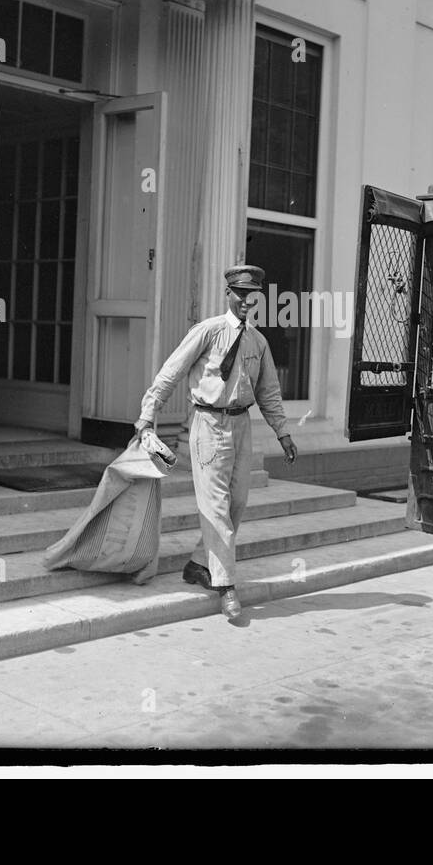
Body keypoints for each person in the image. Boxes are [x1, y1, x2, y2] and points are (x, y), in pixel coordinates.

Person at [134, 264, 299, 619]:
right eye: (240, 294)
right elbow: (171, 372)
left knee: (237, 502)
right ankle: (226, 587)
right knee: (216, 508)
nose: (246, 301)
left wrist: (282, 431)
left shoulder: (258, 341)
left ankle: (198, 564)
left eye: (252, 296)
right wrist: (148, 415)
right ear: (228, 294)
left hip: (242, 427)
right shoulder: (207, 332)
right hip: (208, 424)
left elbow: (268, 391)